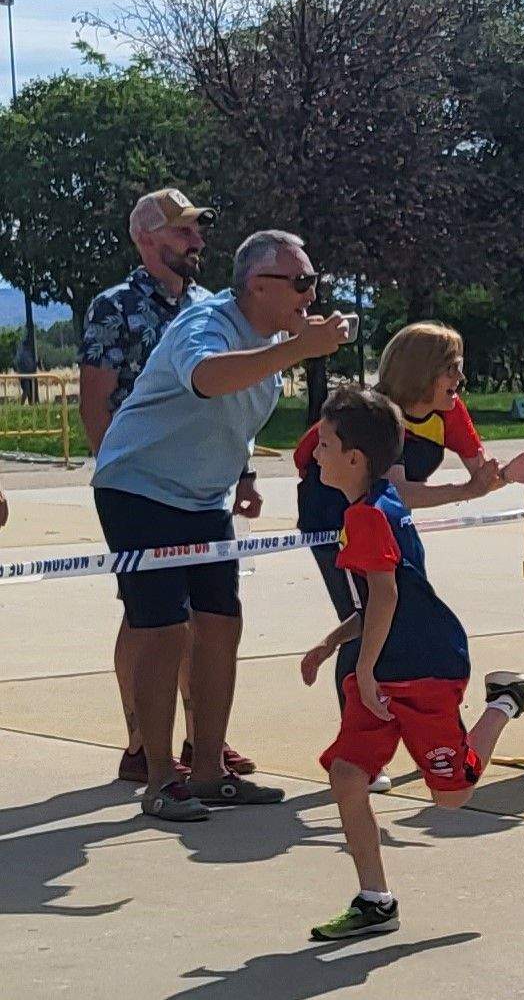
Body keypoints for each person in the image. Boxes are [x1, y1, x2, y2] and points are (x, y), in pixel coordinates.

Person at [94, 229, 349, 820]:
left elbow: (236, 414)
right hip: (139, 487)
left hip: (203, 497)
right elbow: (208, 378)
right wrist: (297, 351)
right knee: (162, 630)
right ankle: (160, 779)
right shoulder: (204, 323)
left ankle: (208, 770)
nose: (311, 295)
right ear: (258, 286)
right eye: (302, 283)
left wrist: (244, 475)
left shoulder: (271, 338)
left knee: (221, 624)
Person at [295, 385, 524, 941]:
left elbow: (386, 597)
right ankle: (375, 899)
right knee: (347, 776)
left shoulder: (370, 514)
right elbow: (376, 601)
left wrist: (361, 671)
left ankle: (506, 699)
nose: (313, 454)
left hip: (425, 669)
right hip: (385, 670)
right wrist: (330, 643)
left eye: (324, 445)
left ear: (354, 459)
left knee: (453, 794)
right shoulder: (380, 499)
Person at [294, 322, 524, 787]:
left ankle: (409, 736)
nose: (460, 378)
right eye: (451, 368)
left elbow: (475, 478)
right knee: (367, 619)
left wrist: (507, 475)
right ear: (422, 371)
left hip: (385, 521)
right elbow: (398, 490)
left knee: (400, 618)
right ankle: (360, 751)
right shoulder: (380, 414)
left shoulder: (449, 411)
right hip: (337, 521)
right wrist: (464, 491)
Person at [78, 188, 224, 785]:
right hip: (139, 487)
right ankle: (142, 741)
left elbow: (222, 397)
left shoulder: (212, 306)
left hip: (201, 485)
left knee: (204, 616)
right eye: (183, 230)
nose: (197, 241)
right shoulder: (114, 307)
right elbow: (95, 403)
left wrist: (237, 472)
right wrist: (119, 482)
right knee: (148, 616)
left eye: (197, 230)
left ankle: (200, 742)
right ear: (147, 239)